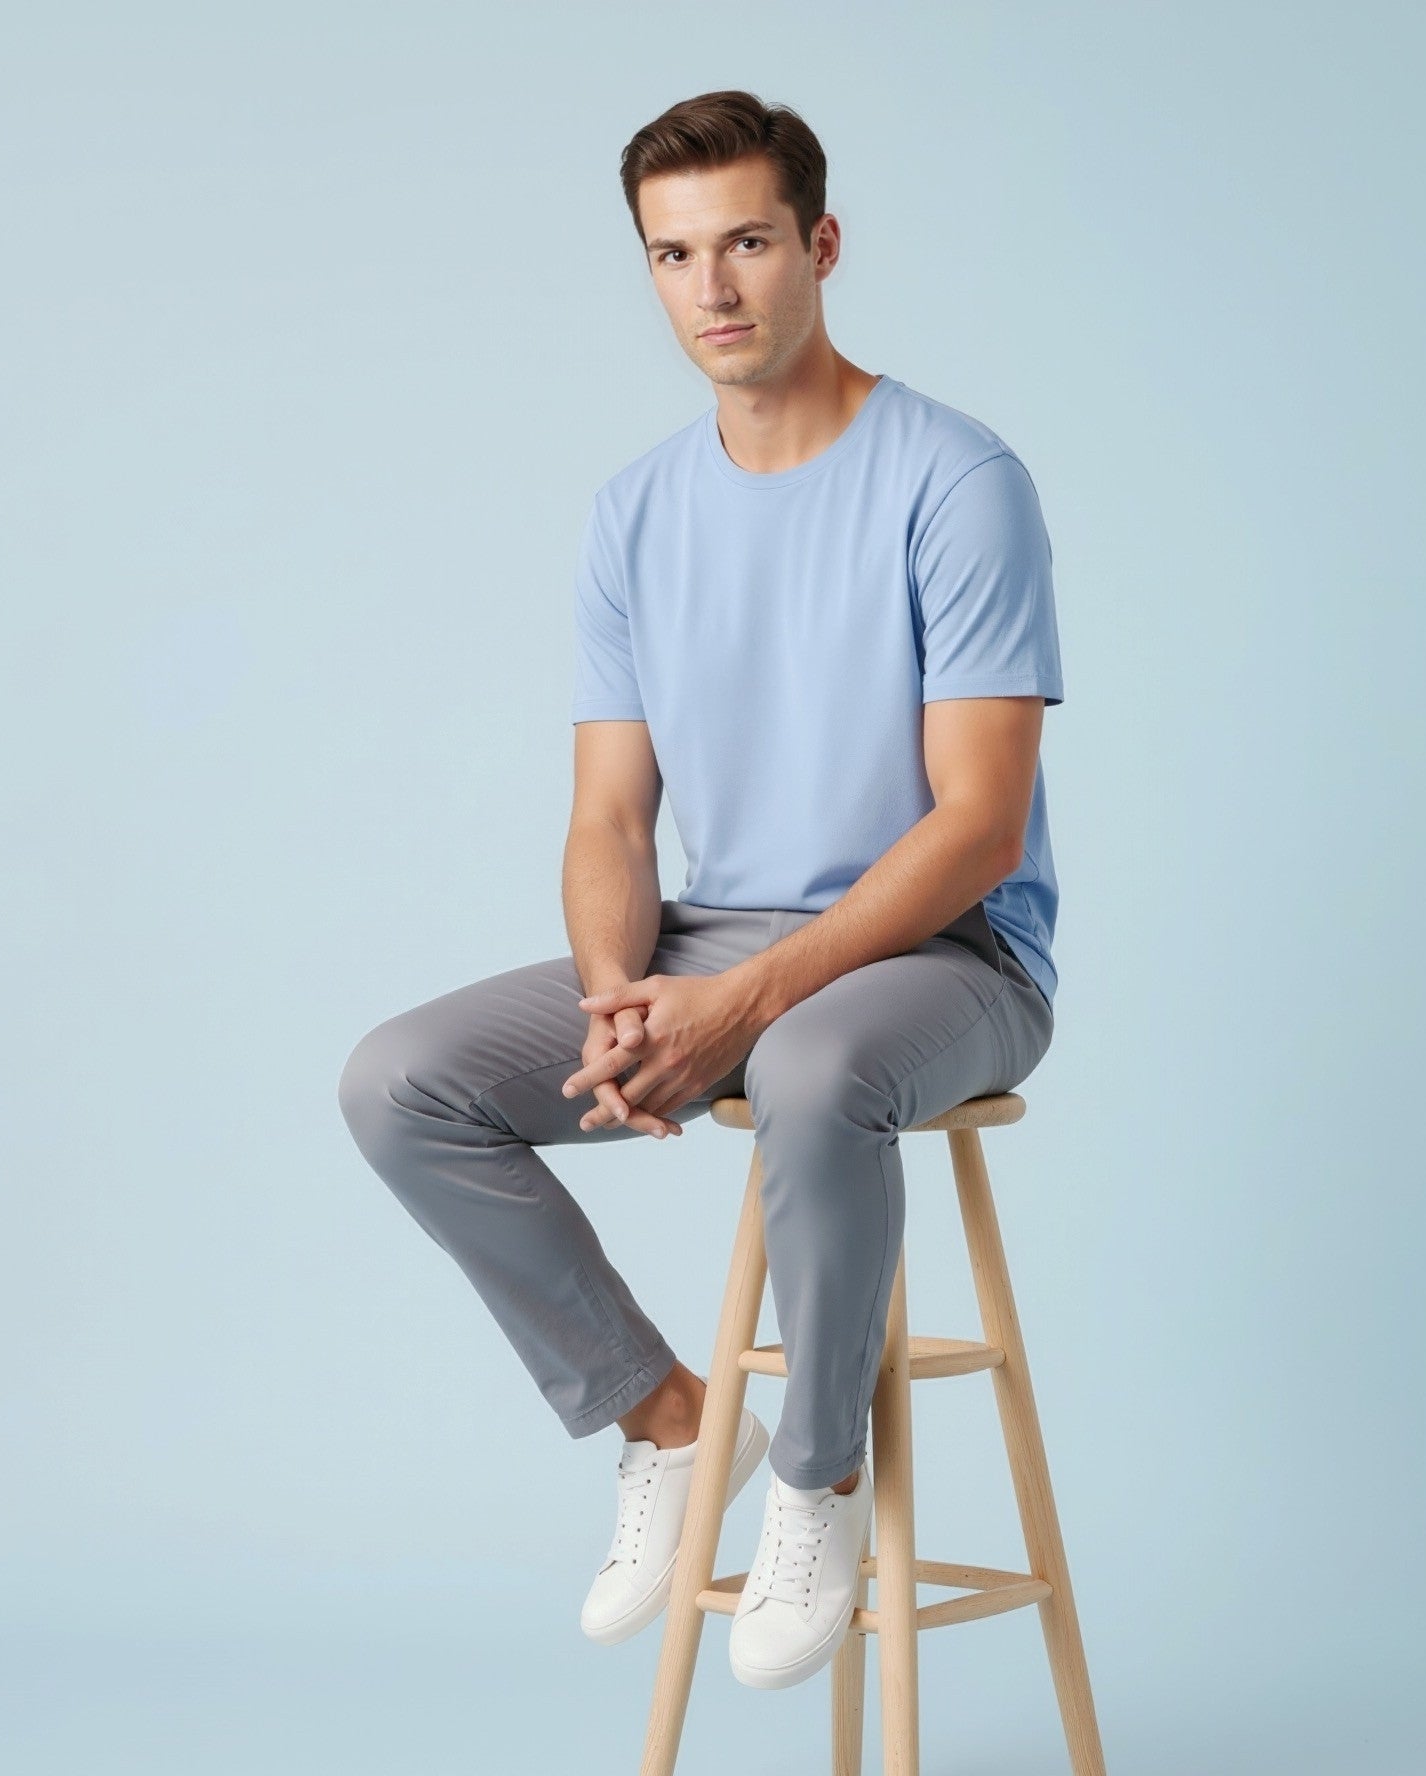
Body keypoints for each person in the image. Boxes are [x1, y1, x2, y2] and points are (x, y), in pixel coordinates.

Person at [338, 89, 1064, 1693]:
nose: (714, 287)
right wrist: (622, 996)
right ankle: (668, 1421)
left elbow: (980, 828)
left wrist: (742, 998)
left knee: (810, 1062)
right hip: (716, 938)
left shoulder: (958, 479)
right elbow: (609, 818)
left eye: (745, 241)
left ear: (819, 244)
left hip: (947, 953)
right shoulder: (635, 511)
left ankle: (812, 1475)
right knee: (403, 1081)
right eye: (675, 254)